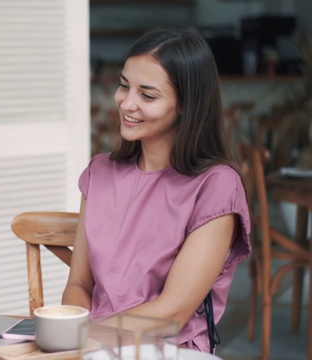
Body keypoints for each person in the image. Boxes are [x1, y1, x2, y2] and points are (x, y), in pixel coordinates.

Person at [61, 28, 251, 353]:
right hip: (92, 345)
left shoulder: (216, 186)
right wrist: (73, 337)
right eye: (124, 86)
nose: (126, 103)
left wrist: (82, 336)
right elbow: (79, 285)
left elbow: (171, 314)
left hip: (167, 349)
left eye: (147, 95)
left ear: (186, 106)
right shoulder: (100, 172)